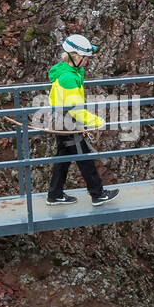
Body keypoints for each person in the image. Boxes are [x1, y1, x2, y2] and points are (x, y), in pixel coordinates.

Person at [44, 34, 119, 207]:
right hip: (68, 123)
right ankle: (97, 194)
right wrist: (96, 121)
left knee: (63, 158)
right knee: (83, 157)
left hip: (61, 121)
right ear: (75, 57)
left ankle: (54, 194)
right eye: (85, 58)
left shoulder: (70, 72)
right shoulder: (69, 78)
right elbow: (76, 110)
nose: (87, 61)